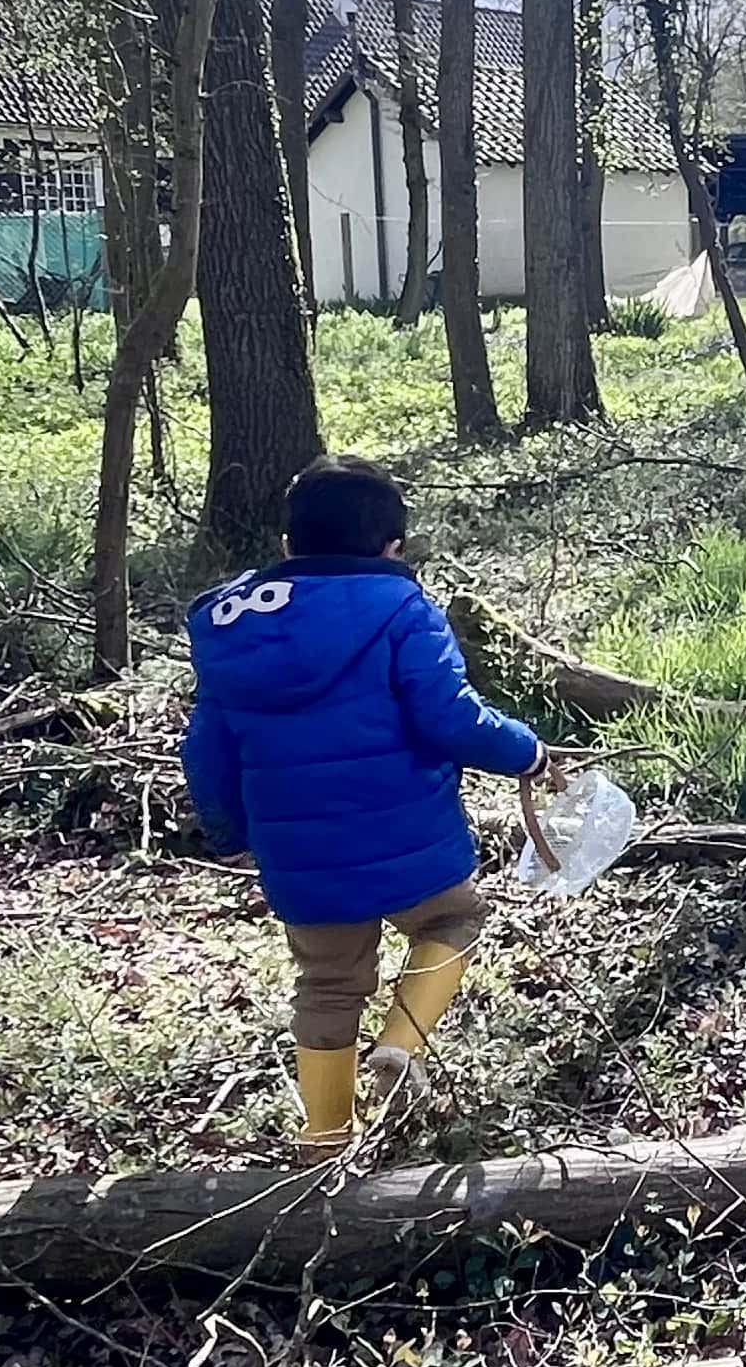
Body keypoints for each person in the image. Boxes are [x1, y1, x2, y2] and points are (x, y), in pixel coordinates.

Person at [180, 454, 546, 1148]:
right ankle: (401, 1044)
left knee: (325, 983)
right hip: (410, 834)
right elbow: (449, 718)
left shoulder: (227, 623)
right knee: (455, 919)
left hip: (300, 853)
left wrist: (227, 830)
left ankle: (323, 1138)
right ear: (393, 548)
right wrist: (526, 750)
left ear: (288, 546)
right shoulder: (403, 607)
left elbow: (205, 746)